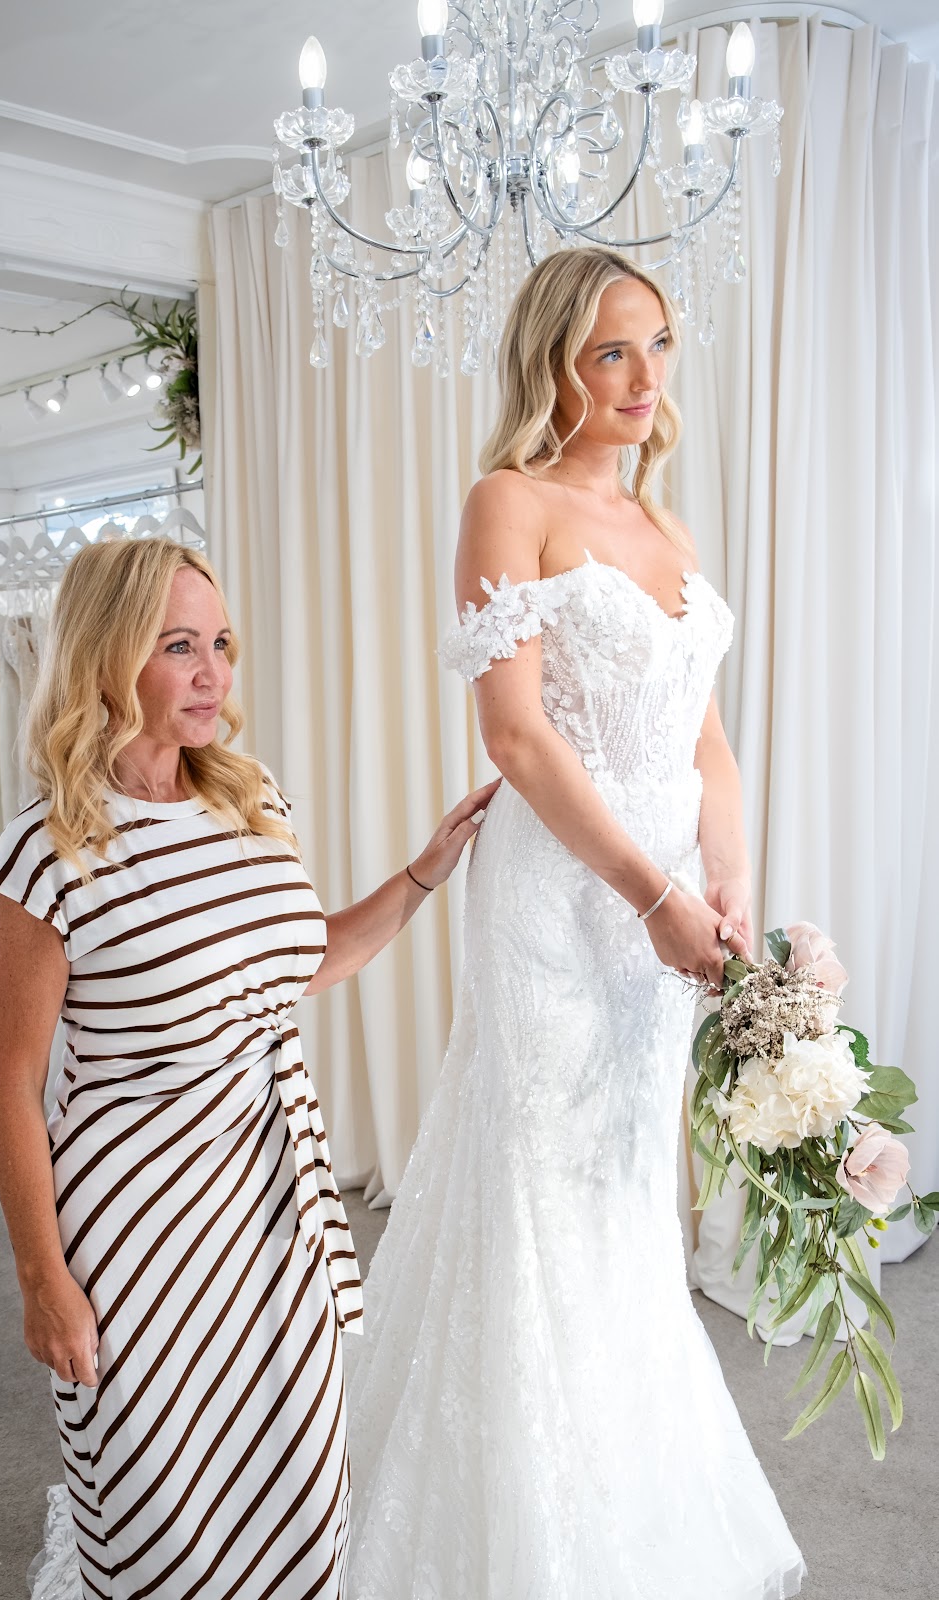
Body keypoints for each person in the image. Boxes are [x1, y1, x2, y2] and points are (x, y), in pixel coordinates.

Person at [345, 249, 806, 1599]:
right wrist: (651, 893)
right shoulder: (509, 501)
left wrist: (726, 883)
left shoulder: (668, 534)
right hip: (560, 904)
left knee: (623, 1193)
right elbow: (514, 735)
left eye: (654, 344)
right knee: (541, 1185)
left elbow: (704, 742)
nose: (640, 376)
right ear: (552, 364)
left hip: (666, 913)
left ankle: (627, 1501)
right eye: (609, 351)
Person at [0, 537, 495, 1600]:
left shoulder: (250, 801)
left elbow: (299, 964)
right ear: (107, 656)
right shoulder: (48, 852)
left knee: (299, 1486)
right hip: (136, 1237)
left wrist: (422, 873)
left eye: (220, 644)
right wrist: (43, 1279)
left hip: (275, 1212)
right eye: (179, 646)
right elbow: (13, 1087)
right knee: (161, 1516)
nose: (213, 673)